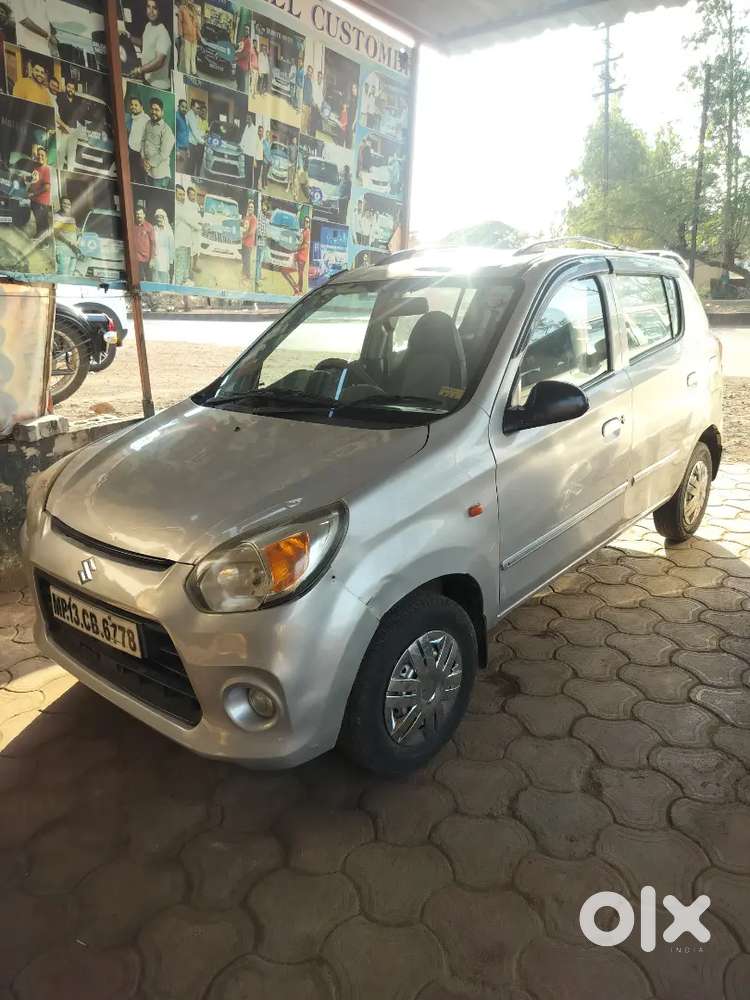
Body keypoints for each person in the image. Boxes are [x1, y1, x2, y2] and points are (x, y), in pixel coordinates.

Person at [129, 0, 171, 91]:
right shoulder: (148, 25)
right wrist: (129, 37)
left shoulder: (163, 33)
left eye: (155, 8)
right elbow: (146, 43)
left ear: (160, 10)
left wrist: (139, 70)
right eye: (148, 7)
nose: (151, 11)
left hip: (159, 87)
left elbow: (159, 61)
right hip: (148, 81)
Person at [141, 96, 175, 188]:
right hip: (148, 173)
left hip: (160, 176)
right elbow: (143, 141)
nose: (154, 112)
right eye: (152, 109)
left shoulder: (167, 130)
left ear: (162, 112)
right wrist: (143, 159)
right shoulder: (148, 124)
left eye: (157, 109)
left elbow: (164, 154)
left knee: (156, 200)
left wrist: (149, 164)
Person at [175, 185, 199, 285]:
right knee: (181, 266)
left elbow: (194, 218)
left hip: (187, 241)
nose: (182, 197)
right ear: (175, 194)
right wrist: (202, 227)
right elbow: (190, 221)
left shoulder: (183, 206)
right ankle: (178, 285)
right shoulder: (177, 207)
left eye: (183, 195)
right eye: (180, 194)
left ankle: (185, 280)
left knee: (186, 265)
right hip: (180, 243)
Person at [56, 80, 81, 172]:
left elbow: (80, 115)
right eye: (69, 87)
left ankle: (70, 173)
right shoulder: (61, 97)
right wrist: (64, 127)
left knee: (71, 155)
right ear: (66, 87)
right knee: (61, 154)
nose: (70, 90)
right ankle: (58, 173)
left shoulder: (77, 100)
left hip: (73, 131)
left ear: (75, 90)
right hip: (62, 130)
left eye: (73, 88)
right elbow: (57, 113)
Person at [27, 147, 51, 236]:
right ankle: (39, 236)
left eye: (42, 155)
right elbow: (34, 181)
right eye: (38, 155)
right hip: (34, 200)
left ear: (46, 158)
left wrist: (33, 193)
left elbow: (47, 187)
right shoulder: (36, 168)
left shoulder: (46, 169)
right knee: (38, 221)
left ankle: (44, 243)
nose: (40, 157)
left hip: (41, 202)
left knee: (42, 223)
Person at [126, 96, 149, 184]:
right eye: (132, 105)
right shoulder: (131, 118)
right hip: (131, 152)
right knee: (130, 178)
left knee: (141, 180)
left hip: (140, 155)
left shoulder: (146, 119)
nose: (133, 107)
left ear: (141, 107)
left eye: (136, 105)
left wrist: (143, 157)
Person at [53, 196, 78, 274]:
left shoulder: (72, 218)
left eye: (68, 204)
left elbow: (73, 232)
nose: (66, 205)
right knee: (63, 276)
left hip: (73, 251)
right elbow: (56, 233)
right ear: (60, 204)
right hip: (63, 251)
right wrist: (69, 242)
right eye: (64, 203)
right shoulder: (57, 217)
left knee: (71, 276)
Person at [177, 0, 200, 76]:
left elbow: (197, 25)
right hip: (186, 37)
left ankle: (194, 72)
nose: (191, 1)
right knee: (187, 57)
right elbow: (180, 22)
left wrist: (199, 36)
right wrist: (180, 35)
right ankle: (188, 73)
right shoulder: (182, 9)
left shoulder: (194, 10)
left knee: (193, 56)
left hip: (194, 37)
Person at [152, 208, 174, 283]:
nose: (159, 219)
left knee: (164, 279)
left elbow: (171, 246)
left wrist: (171, 261)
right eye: (158, 218)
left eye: (161, 217)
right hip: (156, 256)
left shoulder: (168, 230)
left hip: (165, 257)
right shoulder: (154, 229)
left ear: (164, 218)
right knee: (155, 278)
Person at [134, 205, 155, 281]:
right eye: (137, 214)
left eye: (140, 214)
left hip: (146, 258)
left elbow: (153, 244)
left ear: (144, 215)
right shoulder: (132, 226)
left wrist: (152, 259)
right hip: (136, 258)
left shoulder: (149, 227)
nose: (139, 216)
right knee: (140, 279)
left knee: (149, 279)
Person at [186, 185, 202, 272]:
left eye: (194, 195)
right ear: (188, 195)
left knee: (196, 249)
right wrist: (198, 226)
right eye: (191, 195)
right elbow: (188, 220)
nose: (193, 196)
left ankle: (194, 266)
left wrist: (200, 223)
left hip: (196, 232)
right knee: (189, 250)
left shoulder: (196, 205)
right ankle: (187, 269)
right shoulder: (186, 205)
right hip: (189, 231)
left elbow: (198, 217)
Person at [186, 98, 204, 175]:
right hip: (190, 144)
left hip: (194, 144)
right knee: (191, 166)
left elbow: (199, 130)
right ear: (192, 107)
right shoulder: (190, 115)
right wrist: (203, 142)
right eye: (197, 108)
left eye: (199, 108)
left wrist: (203, 136)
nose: (198, 110)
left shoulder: (196, 116)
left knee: (194, 164)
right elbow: (195, 132)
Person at [294, 216, 310, 294]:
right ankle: (299, 287)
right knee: (299, 272)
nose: (306, 223)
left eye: (307, 222)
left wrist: (298, 248)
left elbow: (306, 245)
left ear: (309, 223)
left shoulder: (307, 232)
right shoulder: (303, 231)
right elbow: (301, 240)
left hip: (303, 255)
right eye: (305, 221)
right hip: (300, 254)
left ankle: (300, 289)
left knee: (300, 273)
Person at [241, 200, 256, 283]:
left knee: (247, 260)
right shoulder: (247, 217)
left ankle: (247, 276)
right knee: (243, 259)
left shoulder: (254, 219)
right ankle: (243, 273)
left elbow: (252, 232)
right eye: (249, 207)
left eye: (252, 207)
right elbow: (244, 226)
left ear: (253, 209)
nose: (250, 208)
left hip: (249, 243)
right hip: (244, 242)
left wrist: (244, 236)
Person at [240, 118, 258, 187]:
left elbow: (254, 145)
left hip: (251, 154)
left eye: (249, 119)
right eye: (247, 119)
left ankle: (249, 187)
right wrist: (241, 146)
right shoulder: (246, 127)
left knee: (250, 172)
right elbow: (243, 138)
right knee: (245, 171)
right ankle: (246, 186)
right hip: (245, 152)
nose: (247, 120)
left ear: (251, 120)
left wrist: (254, 159)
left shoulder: (254, 129)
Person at [255, 201, 268, 290]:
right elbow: (258, 230)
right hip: (260, 243)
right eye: (264, 206)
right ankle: (257, 279)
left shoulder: (264, 217)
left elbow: (264, 230)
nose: (265, 208)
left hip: (263, 243)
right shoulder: (260, 216)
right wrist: (263, 235)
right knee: (258, 262)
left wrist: (265, 235)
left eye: (266, 207)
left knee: (260, 262)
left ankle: (259, 277)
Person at [235, 25, 252, 94]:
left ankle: (241, 95)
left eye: (247, 30)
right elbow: (239, 49)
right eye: (245, 29)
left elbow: (246, 54)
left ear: (249, 32)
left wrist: (237, 57)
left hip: (243, 66)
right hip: (238, 64)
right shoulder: (243, 39)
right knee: (238, 82)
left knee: (241, 84)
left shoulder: (248, 41)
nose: (246, 31)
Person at [175, 98, 190, 172]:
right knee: (178, 171)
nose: (184, 109)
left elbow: (185, 134)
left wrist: (187, 149)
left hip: (184, 150)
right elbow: (173, 135)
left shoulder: (184, 118)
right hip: (179, 151)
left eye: (186, 108)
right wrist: (177, 150)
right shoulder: (176, 117)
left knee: (182, 171)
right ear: (178, 106)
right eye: (182, 106)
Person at [302, 65, 314, 135]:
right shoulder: (304, 79)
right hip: (305, 104)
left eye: (311, 72)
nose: (310, 73)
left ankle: (304, 132)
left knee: (306, 123)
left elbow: (310, 93)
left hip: (309, 105)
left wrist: (312, 101)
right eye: (309, 71)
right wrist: (303, 104)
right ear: (307, 71)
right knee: (303, 122)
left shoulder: (310, 81)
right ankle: (302, 133)